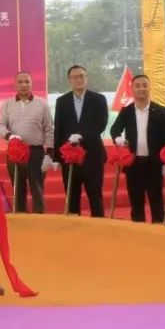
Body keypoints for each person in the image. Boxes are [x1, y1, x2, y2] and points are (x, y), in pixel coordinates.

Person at [109, 74, 165, 223]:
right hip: (134, 164)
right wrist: (118, 139)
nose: (141, 88)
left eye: (144, 85)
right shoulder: (127, 111)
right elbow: (114, 129)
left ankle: (158, 228)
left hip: (154, 163)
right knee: (136, 201)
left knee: (156, 200)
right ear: (132, 89)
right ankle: (138, 229)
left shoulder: (161, 111)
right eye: (137, 86)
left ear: (149, 87)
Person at [53, 65, 108, 217]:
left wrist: (81, 135)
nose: (79, 79)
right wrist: (56, 157)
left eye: (81, 76)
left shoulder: (98, 99)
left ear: (86, 78)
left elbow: (101, 124)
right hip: (69, 156)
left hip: (92, 155)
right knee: (72, 197)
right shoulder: (62, 101)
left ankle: (99, 225)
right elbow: (58, 129)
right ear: (69, 80)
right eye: (75, 77)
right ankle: (74, 227)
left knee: (95, 195)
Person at [0, 72, 53, 213]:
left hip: (36, 152)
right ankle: (21, 218)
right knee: (18, 189)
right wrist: (9, 135)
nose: (24, 85)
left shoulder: (42, 104)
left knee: (37, 189)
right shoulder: (7, 104)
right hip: (15, 152)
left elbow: (49, 129)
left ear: (31, 84)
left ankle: (39, 219)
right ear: (15, 85)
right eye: (20, 82)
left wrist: (50, 154)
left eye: (27, 82)